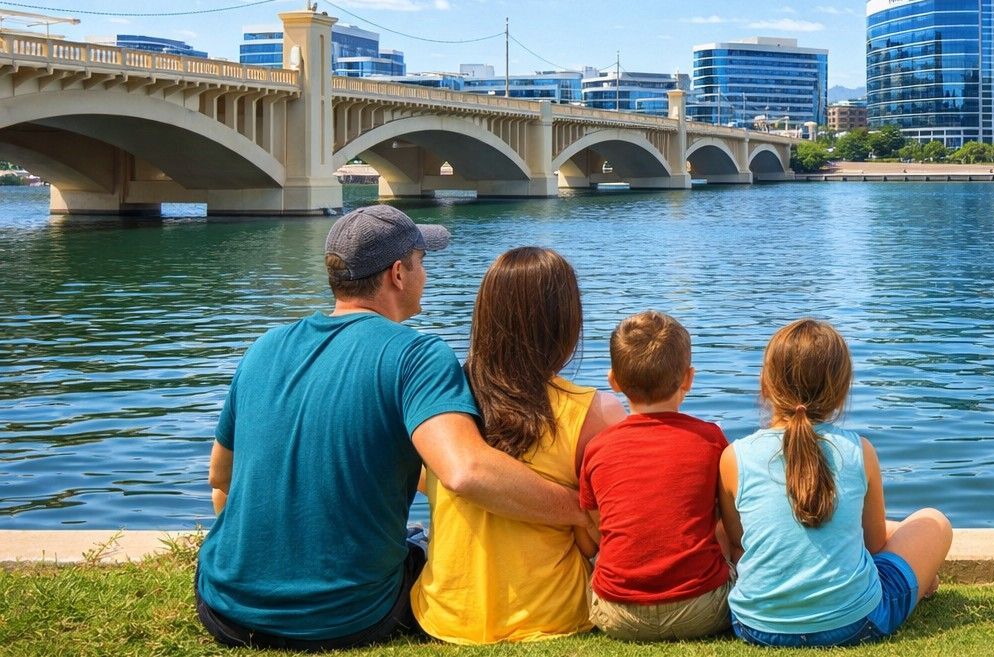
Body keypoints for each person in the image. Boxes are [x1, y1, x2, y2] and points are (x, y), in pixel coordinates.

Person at [196, 206, 586, 650]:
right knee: (418, 546)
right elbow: (466, 472)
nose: (425, 273)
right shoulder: (416, 354)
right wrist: (578, 508)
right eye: (423, 261)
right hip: (348, 617)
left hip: (223, 607)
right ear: (398, 273)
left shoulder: (265, 347)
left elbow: (220, 478)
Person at [411, 247, 626, 644]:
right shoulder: (596, 412)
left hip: (449, 614)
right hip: (555, 611)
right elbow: (614, 523)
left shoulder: (440, 406)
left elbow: (425, 479)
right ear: (565, 323)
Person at [720, 319, 953, 648]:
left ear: (765, 385)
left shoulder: (734, 457)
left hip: (755, 625)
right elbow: (874, 546)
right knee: (934, 522)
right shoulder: (859, 451)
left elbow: (737, 542)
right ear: (841, 392)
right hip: (856, 623)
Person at [579, 311, 733, 641]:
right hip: (701, 610)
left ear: (613, 381)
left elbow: (597, 523)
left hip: (618, 614)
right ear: (688, 379)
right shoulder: (711, 439)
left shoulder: (598, 447)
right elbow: (728, 518)